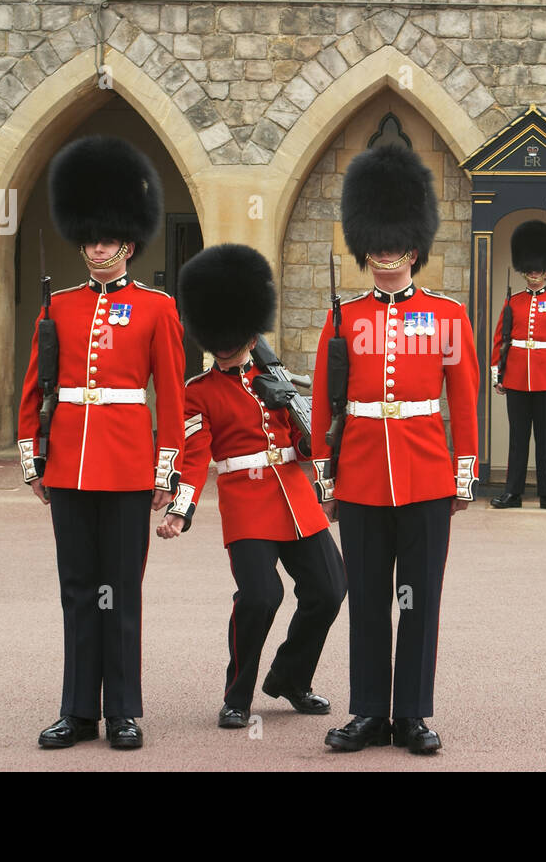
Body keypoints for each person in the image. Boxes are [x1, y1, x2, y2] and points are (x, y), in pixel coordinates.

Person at [310, 143, 480, 755]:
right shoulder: (343, 318)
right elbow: (326, 405)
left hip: (426, 474)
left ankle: (411, 714)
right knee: (369, 600)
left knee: (420, 599)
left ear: (415, 245)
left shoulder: (447, 317)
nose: (385, 253)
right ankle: (367, 712)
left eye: (395, 242)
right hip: (358, 474)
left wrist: (463, 476)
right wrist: (325, 473)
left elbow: (462, 402)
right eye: (376, 242)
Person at [18, 135, 185, 751]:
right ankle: (77, 709)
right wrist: (34, 456)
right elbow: (36, 388)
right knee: (76, 588)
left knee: (122, 589)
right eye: (90, 238)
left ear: (129, 243)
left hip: (125, 467)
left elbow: (171, 395)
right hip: (67, 464)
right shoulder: (57, 306)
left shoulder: (156, 309)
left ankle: (123, 711)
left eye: (107, 239)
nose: (97, 248)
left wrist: (166, 470)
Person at [157, 244, 346, 730]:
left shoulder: (273, 376)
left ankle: (290, 678)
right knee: (261, 596)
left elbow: (305, 448)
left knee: (329, 588)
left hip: (294, 496)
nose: (223, 344)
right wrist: (181, 507)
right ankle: (237, 694)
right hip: (246, 503)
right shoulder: (196, 393)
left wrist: (295, 411)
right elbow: (195, 458)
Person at [489, 220, 546, 511]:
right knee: (517, 439)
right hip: (516, 378)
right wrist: (497, 373)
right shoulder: (513, 301)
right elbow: (501, 339)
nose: (534, 274)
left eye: (538, 269)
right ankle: (513, 493)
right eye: (530, 269)